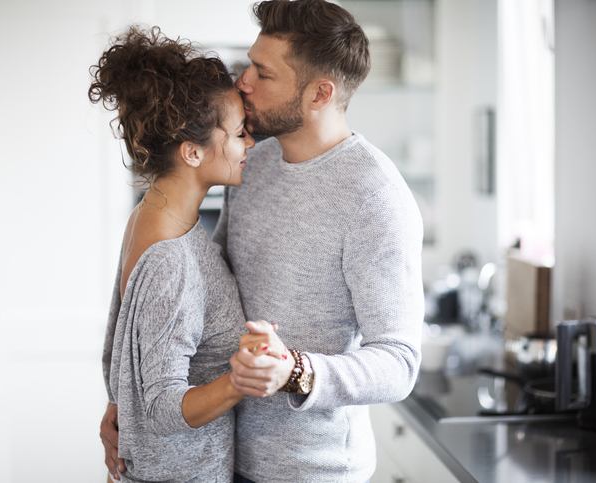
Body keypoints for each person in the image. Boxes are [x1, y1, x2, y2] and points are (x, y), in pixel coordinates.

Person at [101, 0, 424, 481]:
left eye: (262, 73)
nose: (243, 82)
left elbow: (399, 362)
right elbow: (211, 288)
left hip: (311, 470)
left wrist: (297, 371)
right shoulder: (253, 164)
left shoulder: (374, 197)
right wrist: (127, 399)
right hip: (223, 454)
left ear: (319, 94)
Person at [90, 25, 284, 482]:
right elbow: (161, 407)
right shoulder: (170, 259)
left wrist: (119, 405)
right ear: (192, 153)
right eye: (238, 134)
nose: (250, 145)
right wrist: (242, 379)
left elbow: (122, 348)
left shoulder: (150, 214)